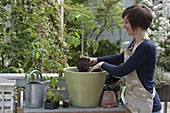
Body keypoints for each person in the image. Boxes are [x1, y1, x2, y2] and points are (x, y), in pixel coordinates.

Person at [89, 4, 162, 113]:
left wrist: (102, 64)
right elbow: (120, 57)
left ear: (136, 23)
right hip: (135, 102)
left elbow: (121, 71)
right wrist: (97, 59)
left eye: (126, 22)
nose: (124, 25)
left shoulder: (146, 47)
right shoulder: (136, 43)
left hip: (147, 105)